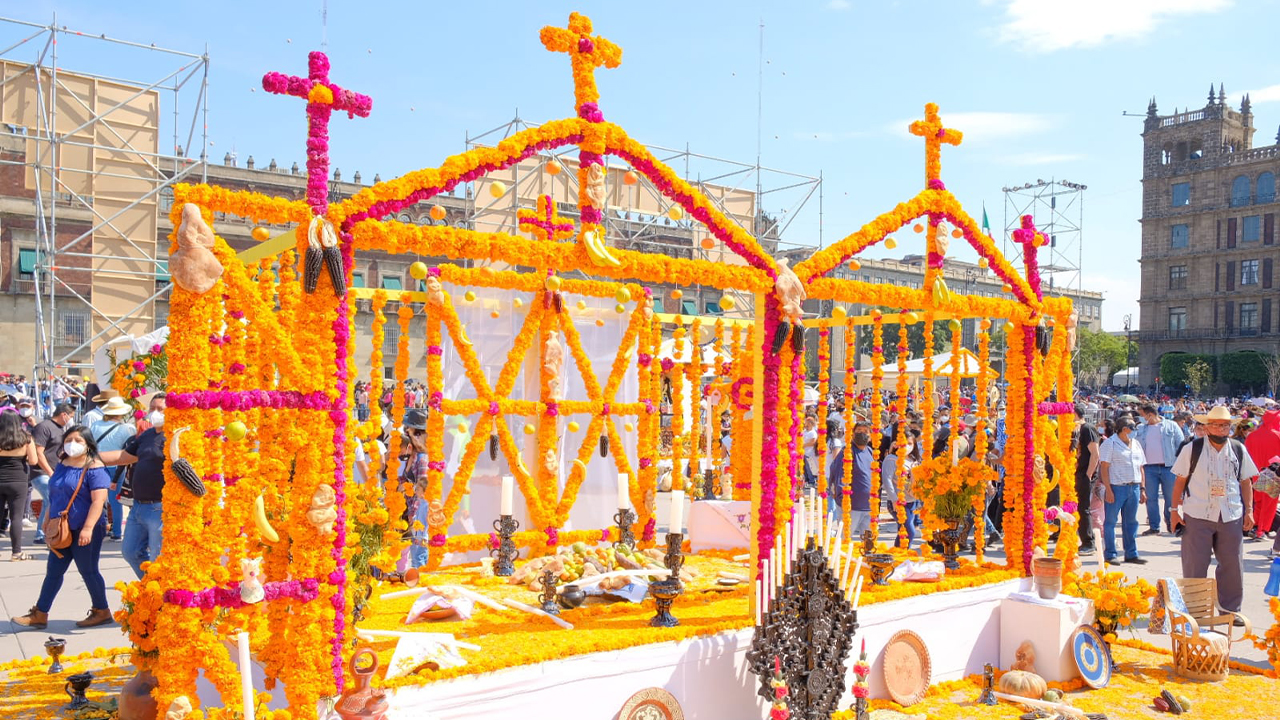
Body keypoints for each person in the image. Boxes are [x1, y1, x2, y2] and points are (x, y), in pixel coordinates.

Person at [11, 425, 114, 630]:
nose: (72, 444)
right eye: (69, 440)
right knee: (54, 571)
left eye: (78, 441)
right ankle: (40, 613)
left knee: (88, 571)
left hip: (86, 528)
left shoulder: (94, 467)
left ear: (88, 444)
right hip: (62, 528)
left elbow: (98, 501)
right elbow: (55, 495)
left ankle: (102, 611)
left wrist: (88, 528)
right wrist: (48, 519)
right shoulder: (63, 463)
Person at [1170, 406, 1258, 620]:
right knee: (1194, 565)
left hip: (1231, 514)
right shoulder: (1192, 449)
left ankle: (1230, 611)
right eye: (1217, 425)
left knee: (1232, 564)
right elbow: (1180, 480)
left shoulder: (1238, 448)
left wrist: (1249, 510)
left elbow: (1245, 481)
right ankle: (1195, 611)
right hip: (1198, 513)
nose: (1221, 429)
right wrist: (1174, 511)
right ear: (1207, 427)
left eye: (1226, 425)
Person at [101, 395, 167, 578]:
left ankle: (159, 598)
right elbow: (124, 456)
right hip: (138, 505)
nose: (155, 412)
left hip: (159, 507)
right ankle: (150, 589)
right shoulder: (147, 435)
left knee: (157, 559)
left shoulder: (175, 436)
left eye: (160, 409)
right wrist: (92, 458)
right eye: (152, 408)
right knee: (130, 552)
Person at [1099, 417, 1148, 565]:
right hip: (1116, 487)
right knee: (1111, 522)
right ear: (1124, 429)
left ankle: (1131, 553)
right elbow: (1104, 467)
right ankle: (1110, 553)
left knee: (1131, 522)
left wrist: (1142, 488)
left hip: (1133, 487)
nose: (1134, 431)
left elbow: (1141, 467)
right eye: (1132, 427)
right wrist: (1108, 489)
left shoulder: (1136, 444)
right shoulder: (1110, 443)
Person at [89, 396, 137, 541]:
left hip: (97, 464)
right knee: (116, 500)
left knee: (96, 499)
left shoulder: (95, 425)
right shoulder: (127, 429)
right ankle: (116, 531)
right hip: (117, 466)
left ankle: (99, 528)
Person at [1135, 403, 1185, 537]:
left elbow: (1181, 445)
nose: (1141, 418)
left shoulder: (1171, 426)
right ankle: (1154, 526)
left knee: (1170, 498)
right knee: (1151, 498)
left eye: (1143, 415)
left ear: (1150, 415)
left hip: (1169, 467)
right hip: (1149, 468)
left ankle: (1171, 523)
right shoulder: (1141, 429)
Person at [29, 403, 74, 544]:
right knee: (51, 499)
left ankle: (44, 531)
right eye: (71, 416)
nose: (71, 419)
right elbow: (38, 452)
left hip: (54, 471)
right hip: (40, 472)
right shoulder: (44, 427)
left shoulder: (60, 429)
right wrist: (50, 472)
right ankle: (42, 533)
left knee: (51, 500)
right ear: (63, 414)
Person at [0, 413, 39, 560]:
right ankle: (16, 552)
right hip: (18, 480)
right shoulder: (26, 438)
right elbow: (34, 461)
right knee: (16, 516)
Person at [400, 409, 431, 569]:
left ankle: (423, 581)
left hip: (420, 508)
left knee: (419, 548)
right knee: (414, 547)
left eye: (408, 429)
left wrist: (414, 513)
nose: (406, 431)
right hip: (412, 505)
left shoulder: (422, 459)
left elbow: (422, 489)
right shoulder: (414, 455)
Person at [1244, 408, 1280, 542]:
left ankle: (1255, 527)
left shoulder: (1252, 436)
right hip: (1273, 474)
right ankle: (1261, 531)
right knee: (1269, 504)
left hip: (1254, 474)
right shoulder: (1277, 435)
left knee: (1258, 502)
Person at [1074, 403, 1101, 552]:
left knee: (1084, 508)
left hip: (1085, 474)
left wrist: (1088, 474)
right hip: (1077, 473)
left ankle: (1088, 542)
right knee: (1078, 507)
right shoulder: (1076, 429)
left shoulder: (1087, 429)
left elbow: (1095, 454)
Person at [839, 421, 874, 536]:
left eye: (865, 431)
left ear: (870, 435)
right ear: (853, 434)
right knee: (844, 538)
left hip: (869, 505)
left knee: (869, 543)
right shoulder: (847, 451)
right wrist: (841, 500)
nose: (861, 433)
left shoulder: (869, 451)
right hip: (852, 506)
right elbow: (838, 476)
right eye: (858, 431)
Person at [802, 415, 819, 490]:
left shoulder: (813, 433)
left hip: (810, 453)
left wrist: (804, 445)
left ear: (811, 424)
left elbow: (813, 442)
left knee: (810, 467)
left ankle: (812, 482)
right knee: (805, 467)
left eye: (808, 422)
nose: (806, 424)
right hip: (804, 452)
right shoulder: (804, 431)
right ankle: (807, 480)